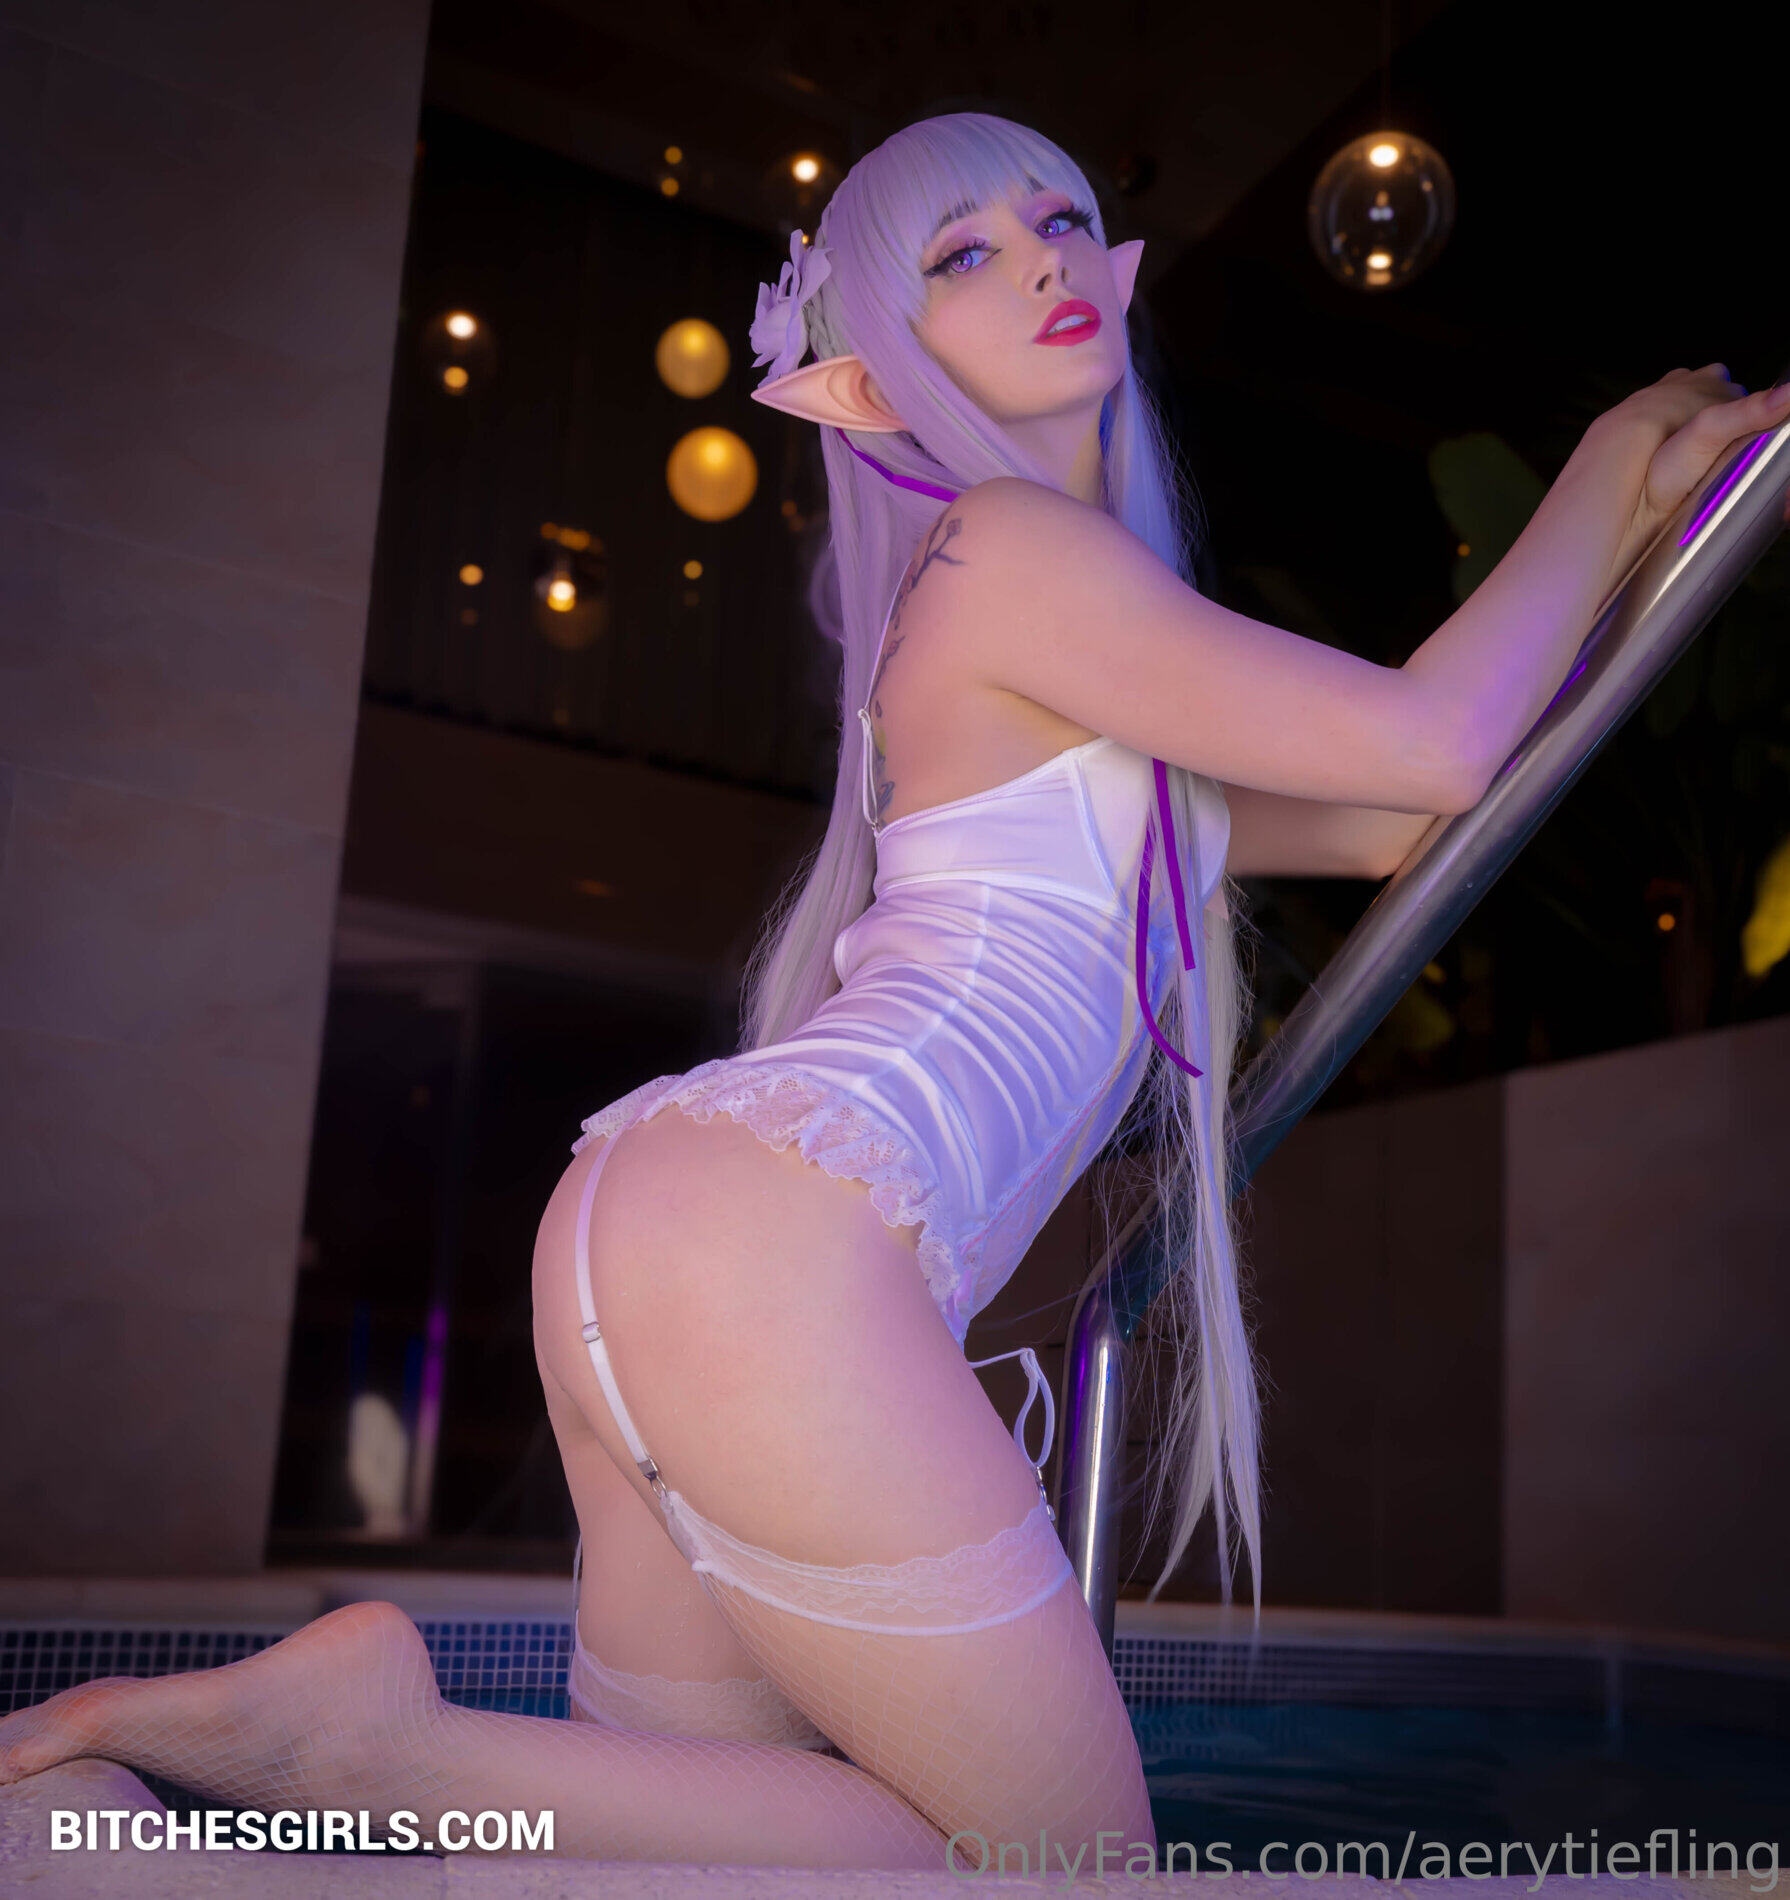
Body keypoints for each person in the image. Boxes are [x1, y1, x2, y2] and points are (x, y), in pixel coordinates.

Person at [0, 109, 1778, 1872]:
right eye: (961, 255)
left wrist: (1649, 532)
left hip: (657, 1227)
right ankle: (371, 1751)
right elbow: (1433, 742)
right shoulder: (1016, 550)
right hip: (773, 1244)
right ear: (868, 377)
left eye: (1061, 221)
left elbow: (1393, 822)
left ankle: (108, 1846)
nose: (1042, 265)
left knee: (665, 1873)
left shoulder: (1068, 663)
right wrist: (1613, 450)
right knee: (1060, 1864)